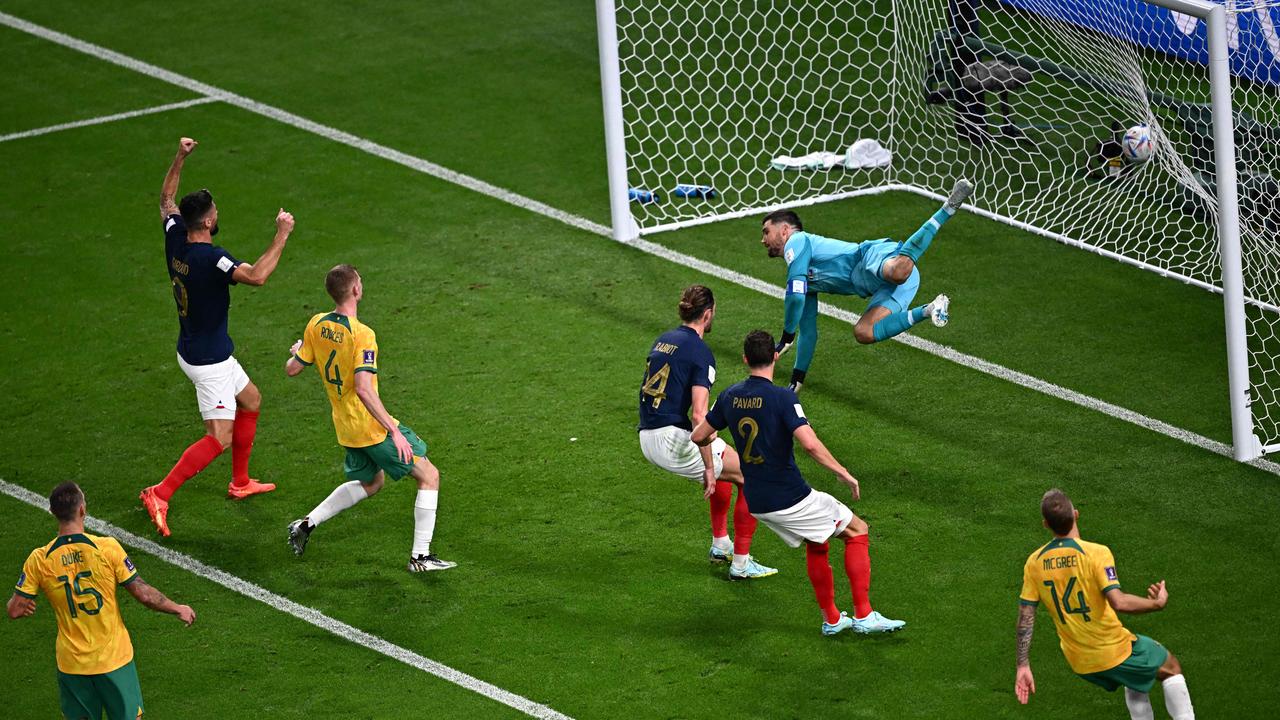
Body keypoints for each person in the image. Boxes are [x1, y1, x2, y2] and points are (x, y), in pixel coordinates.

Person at [692, 330, 905, 636]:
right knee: (858, 530)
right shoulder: (782, 398)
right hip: (790, 497)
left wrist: (716, 462)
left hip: (758, 501)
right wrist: (842, 472)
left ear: (745, 360)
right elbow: (810, 445)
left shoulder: (728, 396)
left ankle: (832, 620)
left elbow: (699, 435)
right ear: (775, 357)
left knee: (817, 542)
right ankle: (864, 615)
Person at [140, 137, 296, 537]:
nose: (217, 215)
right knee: (218, 438)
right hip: (207, 361)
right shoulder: (212, 259)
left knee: (252, 399)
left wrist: (178, 157)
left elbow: (165, 199)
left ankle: (240, 482)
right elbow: (257, 276)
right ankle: (160, 492)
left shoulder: (175, 237)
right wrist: (281, 234)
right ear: (207, 222)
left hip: (202, 348)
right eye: (215, 213)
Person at [284, 265, 455, 573]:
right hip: (371, 427)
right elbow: (364, 388)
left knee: (371, 482)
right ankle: (421, 557)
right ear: (356, 291)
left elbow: (293, 368)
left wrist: (299, 351)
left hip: (345, 426)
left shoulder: (316, 324)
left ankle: (306, 524)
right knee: (429, 476)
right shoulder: (363, 335)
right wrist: (394, 431)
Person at [759, 178, 973, 392]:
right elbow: (808, 332)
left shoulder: (798, 241)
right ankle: (929, 309)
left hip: (871, 258)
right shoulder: (807, 281)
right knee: (863, 332)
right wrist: (797, 379)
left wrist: (786, 338)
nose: (763, 240)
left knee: (897, 271)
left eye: (766, 231)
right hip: (892, 287)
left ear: (785, 230)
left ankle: (948, 208)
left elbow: (795, 296)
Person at [9, 482, 195, 720]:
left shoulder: (39, 559)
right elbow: (143, 594)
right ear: (82, 510)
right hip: (114, 660)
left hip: (72, 665)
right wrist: (177, 608)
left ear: (53, 512)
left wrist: (24, 606)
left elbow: (15, 609)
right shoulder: (106, 549)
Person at [1015, 489, 1195, 719]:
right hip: (1110, 649)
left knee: (1134, 677)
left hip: (1079, 661)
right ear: (1076, 514)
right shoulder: (1096, 553)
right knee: (1171, 668)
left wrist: (1023, 665)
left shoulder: (1034, 562)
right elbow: (1119, 602)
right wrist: (1157, 604)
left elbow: (1026, 616)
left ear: (1045, 524)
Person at [638, 285, 774, 579]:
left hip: (646, 436)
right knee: (751, 473)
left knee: (722, 448)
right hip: (672, 439)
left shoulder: (663, 340)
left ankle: (721, 543)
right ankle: (741, 563)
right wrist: (709, 468)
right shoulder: (700, 352)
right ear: (708, 313)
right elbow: (698, 416)